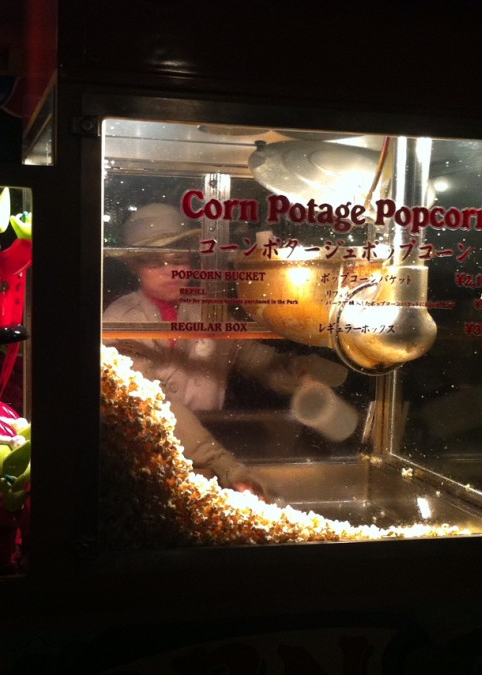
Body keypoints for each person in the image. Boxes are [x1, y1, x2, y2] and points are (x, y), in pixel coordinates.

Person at [103, 203, 346, 496]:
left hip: (216, 445)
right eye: (155, 262)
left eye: (178, 258)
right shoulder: (119, 322)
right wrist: (223, 463)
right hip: (148, 461)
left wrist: (303, 377)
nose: (171, 271)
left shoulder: (206, 311)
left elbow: (253, 357)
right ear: (133, 265)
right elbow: (153, 404)